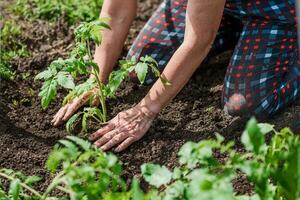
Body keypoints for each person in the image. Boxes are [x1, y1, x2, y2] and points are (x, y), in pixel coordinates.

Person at [52, 0, 300, 152]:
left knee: (246, 104)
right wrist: (97, 80)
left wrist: (145, 111)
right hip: (211, 5)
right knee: (143, 67)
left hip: (272, 9)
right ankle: (234, 29)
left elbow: (198, 41)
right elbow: (116, 9)